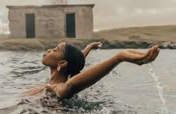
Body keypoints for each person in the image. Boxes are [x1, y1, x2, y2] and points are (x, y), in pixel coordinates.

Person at [25, 42, 159, 99]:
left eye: (55, 50)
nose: (49, 50)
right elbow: (75, 61)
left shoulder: (59, 88)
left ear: (62, 63)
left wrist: (118, 57)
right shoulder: (53, 82)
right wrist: (88, 47)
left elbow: (72, 84)